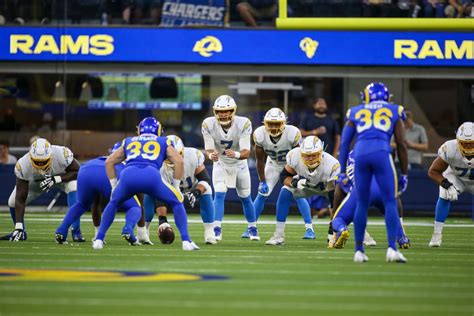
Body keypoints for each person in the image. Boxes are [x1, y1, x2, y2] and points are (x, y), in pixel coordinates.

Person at [93, 117, 199, 251]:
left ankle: (98, 240)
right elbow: (179, 162)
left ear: (140, 130)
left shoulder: (128, 141)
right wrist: (176, 186)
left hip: (128, 176)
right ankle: (186, 241)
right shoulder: (163, 141)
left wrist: (114, 185)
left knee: (113, 203)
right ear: (158, 130)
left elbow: (109, 162)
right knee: (177, 202)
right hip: (150, 175)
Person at [338, 82, 409, 263]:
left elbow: (345, 143)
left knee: (361, 203)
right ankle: (392, 248)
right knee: (390, 202)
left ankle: (359, 251)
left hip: (360, 154)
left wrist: (342, 172)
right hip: (381, 153)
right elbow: (401, 143)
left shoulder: (355, 112)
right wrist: (404, 173)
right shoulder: (395, 110)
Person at [55, 142, 145, 245]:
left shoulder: (104, 157)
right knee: (135, 207)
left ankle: (61, 231)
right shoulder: (127, 164)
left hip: (86, 169)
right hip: (109, 172)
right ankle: (128, 230)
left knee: (81, 204)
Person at [2, 138, 83, 242]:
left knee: (74, 186)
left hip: (61, 179)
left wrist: (56, 179)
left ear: (51, 155)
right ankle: (20, 231)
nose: (41, 165)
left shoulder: (62, 153)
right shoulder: (23, 164)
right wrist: (18, 226)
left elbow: (78, 172)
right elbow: (20, 197)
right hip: (37, 183)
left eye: (44, 161)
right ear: (30, 157)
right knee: (12, 202)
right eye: (37, 161)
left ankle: (76, 230)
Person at [202, 95, 259, 241]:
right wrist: (210, 156)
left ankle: (252, 228)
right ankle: (216, 229)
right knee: (219, 193)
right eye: (220, 111)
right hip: (221, 163)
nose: (223, 114)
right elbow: (208, 150)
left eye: (226, 110)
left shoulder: (244, 123)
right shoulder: (208, 124)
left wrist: (236, 154)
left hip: (239, 163)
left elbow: (247, 152)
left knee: (245, 196)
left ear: (233, 110)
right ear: (215, 112)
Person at [252, 108, 315, 239]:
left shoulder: (292, 133)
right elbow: (259, 160)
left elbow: (299, 157)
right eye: (271, 123)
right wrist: (262, 181)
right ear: (265, 123)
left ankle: (310, 229)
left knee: (299, 193)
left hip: (291, 165)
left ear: (284, 123)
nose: (274, 127)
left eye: (277, 123)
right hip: (273, 164)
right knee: (262, 193)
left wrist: (298, 175)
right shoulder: (259, 134)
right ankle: (251, 227)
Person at [265, 136, 340, 245]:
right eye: (307, 156)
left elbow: (335, 195)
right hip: (306, 185)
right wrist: (295, 183)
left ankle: (362, 235)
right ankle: (278, 235)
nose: (310, 159)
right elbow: (284, 177)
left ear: (321, 152)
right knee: (285, 191)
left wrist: (332, 226)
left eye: (314, 155)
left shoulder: (332, 164)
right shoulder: (294, 156)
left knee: (343, 202)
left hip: (326, 189)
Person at [144, 135, 216, 245]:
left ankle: (209, 231)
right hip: (168, 188)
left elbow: (205, 179)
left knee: (207, 189)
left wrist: (196, 192)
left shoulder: (193, 155)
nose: (172, 160)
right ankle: (144, 230)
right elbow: (159, 194)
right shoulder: (158, 165)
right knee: (149, 191)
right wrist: (162, 220)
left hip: (191, 186)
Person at [330, 150, 410, 249]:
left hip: (362, 190)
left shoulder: (351, 156)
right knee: (392, 215)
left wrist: (334, 216)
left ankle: (342, 229)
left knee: (338, 219)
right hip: (382, 189)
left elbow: (339, 191)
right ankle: (402, 238)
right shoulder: (381, 153)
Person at [427, 122, 473, 247]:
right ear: (457, 141)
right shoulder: (450, 148)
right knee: (444, 193)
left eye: (471, 144)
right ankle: (436, 234)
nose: (468, 148)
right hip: (456, 177)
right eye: (465, 144)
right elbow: (433, 171)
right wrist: (446, 184)